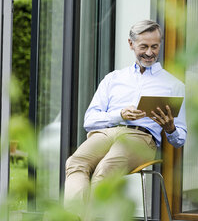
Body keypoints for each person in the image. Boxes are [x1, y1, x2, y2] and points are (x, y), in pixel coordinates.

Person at [63, 20, 187, 218]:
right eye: (143, 46)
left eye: (154, 46)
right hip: (107, 132)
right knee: (75, 162)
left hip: (140, 138)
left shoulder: (173, 85)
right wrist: (119, 114)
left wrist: (170, 128)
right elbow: (89, 119)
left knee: (106, 169)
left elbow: (179, 140)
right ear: (131, 44)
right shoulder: (113, 79)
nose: (149, 52)